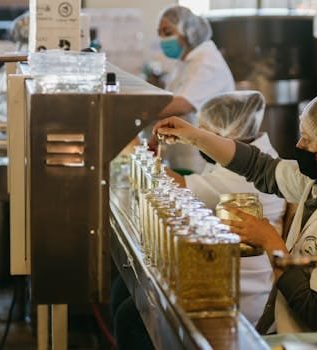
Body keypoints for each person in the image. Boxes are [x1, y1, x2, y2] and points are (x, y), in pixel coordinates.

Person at [154, 90, 317, 338]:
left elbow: (316, 311)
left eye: (307, 140)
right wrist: (196, 136)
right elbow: (258, 166)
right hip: (305, 336)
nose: (299, 146)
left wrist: (270, 241)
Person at [111, 91, 286, 350]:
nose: (199, 141)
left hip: (240, 299)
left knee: (131, 315)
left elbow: (171, 185)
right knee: (124, 290)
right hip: (221, 279)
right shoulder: (253, 152)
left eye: (204, 134)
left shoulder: (242, 178)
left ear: (226, 133)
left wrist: (131, 141)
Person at [130, 5, 235, 174]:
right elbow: (170, 104)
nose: (163, 39)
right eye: (160, 33)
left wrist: (133, 111)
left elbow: (182, 105)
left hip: (203, 157)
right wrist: (155, 139)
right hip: (184, 153)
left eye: (168, 32)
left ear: (188, 31)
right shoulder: (184, 62)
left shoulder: (207, 62)